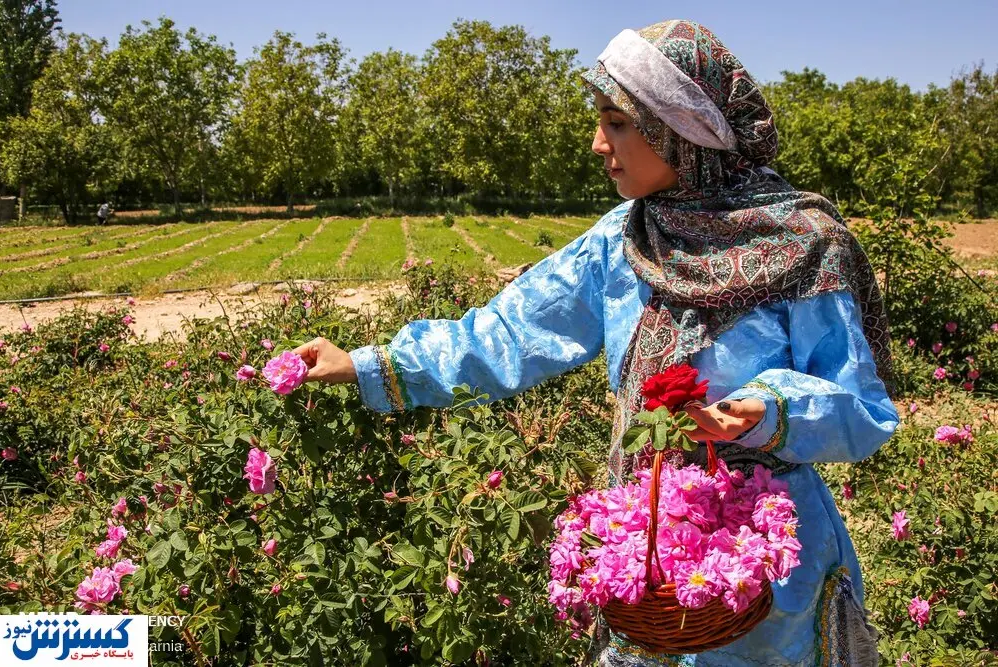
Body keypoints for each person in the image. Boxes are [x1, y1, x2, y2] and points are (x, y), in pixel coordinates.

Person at [293, 19, 899, 666]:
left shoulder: (803, 247)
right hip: (651, 569)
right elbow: (505, 335)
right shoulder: (625, 241)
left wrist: (765, 411)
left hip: (768, 583)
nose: (595, 142)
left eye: (616, 121)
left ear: (678, 128)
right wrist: (370, 363)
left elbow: (862, 408)